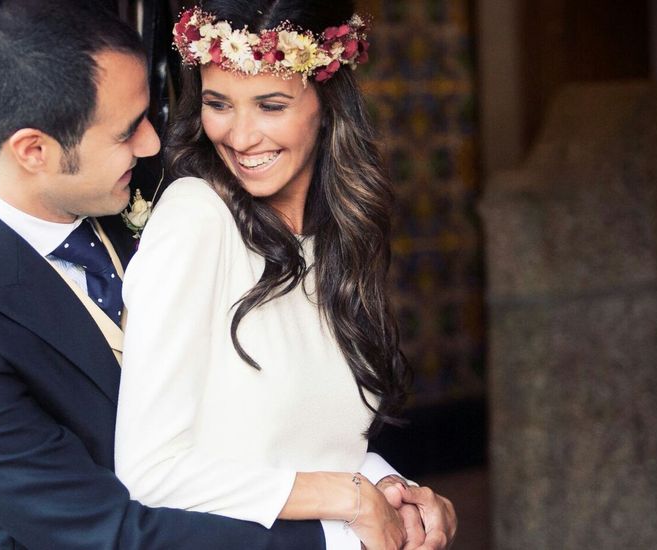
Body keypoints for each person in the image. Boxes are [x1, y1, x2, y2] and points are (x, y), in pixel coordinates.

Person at [0, 1, 331, 548]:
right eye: (126, 132)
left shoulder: (156, 187)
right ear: (34, 150)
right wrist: (336, 538)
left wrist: (373, 483)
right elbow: (106, 533)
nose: (153, 145)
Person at [115, 2, 457, 549]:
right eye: (217, 104)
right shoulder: (196, 219)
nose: (242, 136)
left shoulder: (340, 231)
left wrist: (396, 491)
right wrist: (350, 497)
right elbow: (149, 474)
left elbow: (309, 444)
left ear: (327, 101)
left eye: (271, 105)